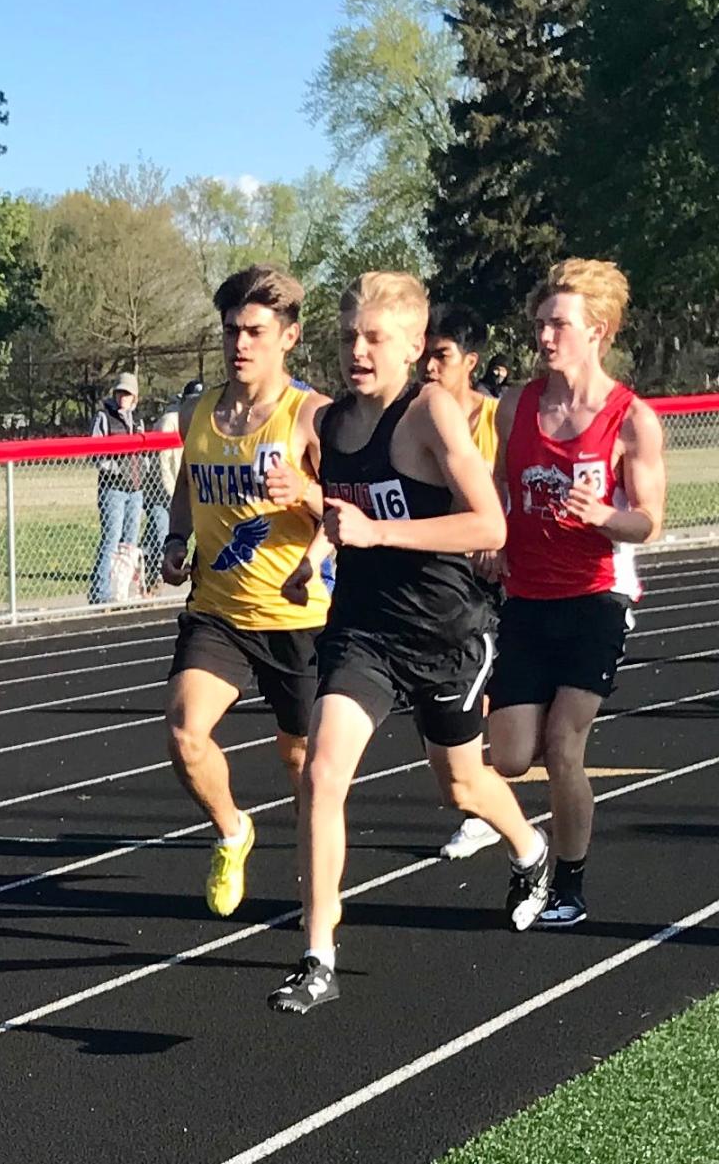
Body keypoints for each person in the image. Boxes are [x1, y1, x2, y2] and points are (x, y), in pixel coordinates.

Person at [267, 272, 550, 1015]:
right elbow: (343, 516)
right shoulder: (329, 424)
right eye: (348, 336)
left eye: (373, 338)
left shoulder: (431, 415)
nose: (357, 352)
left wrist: (379, 532)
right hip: (363, 632)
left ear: (414, 345)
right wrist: (313, 561)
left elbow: (489, 525)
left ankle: (531, 848)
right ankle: (317, 954)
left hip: (446, 631)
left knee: (461, 785)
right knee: (323, 774)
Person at [484, 259, 665, 928]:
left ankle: (570, 884)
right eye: (540, 323)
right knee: (506, 755)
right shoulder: (517, 406)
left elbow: (648, 519)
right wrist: (493, 536)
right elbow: (501, 490)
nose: (544, 335)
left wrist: (602, 517)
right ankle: (530, 847)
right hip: (527, 596)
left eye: (559, 323)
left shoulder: (629, 418)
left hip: (597, 594)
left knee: (563, 744)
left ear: (598, 330)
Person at [161, 266, 331, 920]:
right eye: (232, 329)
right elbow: (186, 485)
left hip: (299, 615)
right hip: (219, 611)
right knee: (184, 733)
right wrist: (177, 540)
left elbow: (347, 513)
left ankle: (316, 877)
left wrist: (306, 495)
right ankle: (233, 830)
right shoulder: (197, 409)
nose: (241, 343)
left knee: (301, 762)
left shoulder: (310, 416)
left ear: (287, 337)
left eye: (256, 331)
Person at [420, 302, 503, 861]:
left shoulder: (499, 419)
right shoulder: (412, 419)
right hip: (439, 584)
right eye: (423, 354)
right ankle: (480, 801)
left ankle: (486, 805)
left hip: (500, 581)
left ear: (469, 361)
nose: (428, 366)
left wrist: (504, 542)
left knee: (492, 701)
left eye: (441, 356)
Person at [141, 381, 203, 592]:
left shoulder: (199, 419)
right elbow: (163, 463)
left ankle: (148, 578)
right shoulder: (170, 420)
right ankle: (152, 579)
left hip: (182, 489)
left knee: (154, 535)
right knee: (160, 535)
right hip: (162, 491)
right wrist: (171, 492)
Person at [88, 372, 145, 604]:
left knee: (129, 543)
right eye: (120, 392)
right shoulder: (104, 417)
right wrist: (115, 469)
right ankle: (99, 591)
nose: (123, 397)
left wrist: (143, 469)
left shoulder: (137, 419)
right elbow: (95, 453)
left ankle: (121, 589)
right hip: (113, 489)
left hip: (136, 488)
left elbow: (144, 450)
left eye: (128, 393)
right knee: (111, 539)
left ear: (135, 397)